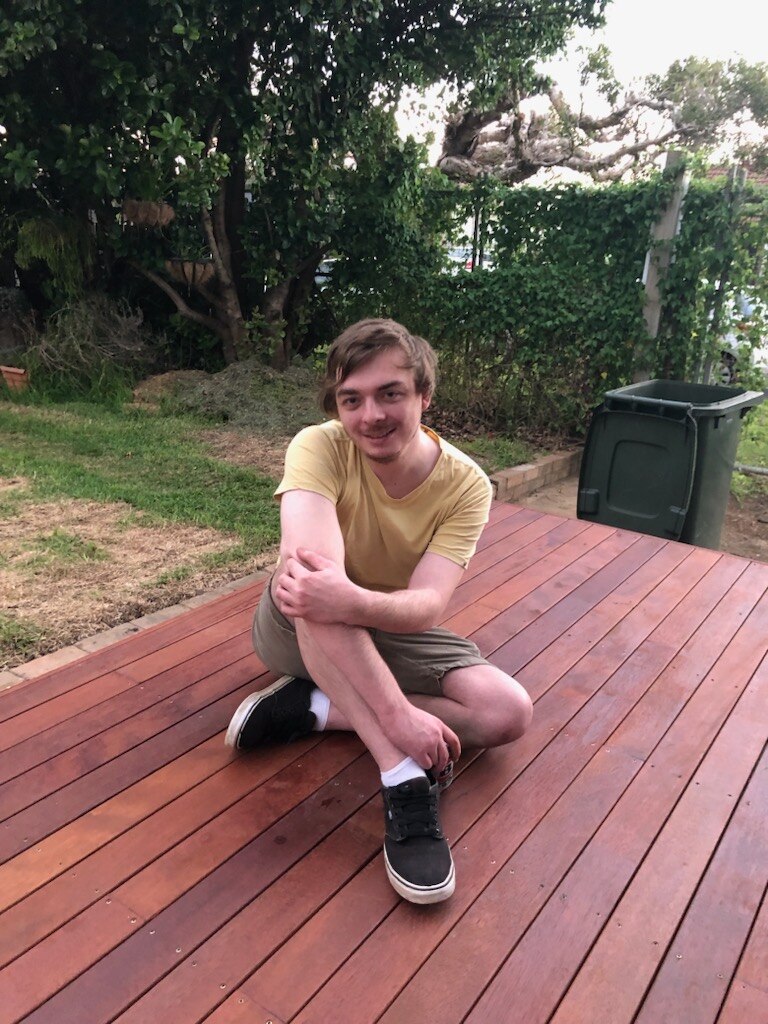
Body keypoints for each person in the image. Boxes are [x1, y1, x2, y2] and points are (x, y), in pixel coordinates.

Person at [225, 318, 533, 904]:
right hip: (295, 626)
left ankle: (315, 707)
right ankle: (402, 777)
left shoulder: (466, 484)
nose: (371, 415)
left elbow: (427, 604)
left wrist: (357, 609)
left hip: (385, 621)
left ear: (424, 396)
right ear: (337, 407)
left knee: (507, 714)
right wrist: (398, 723)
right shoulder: (318, 446)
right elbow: (312, 581)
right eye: (352, 400)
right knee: (311, 585)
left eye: (390, 393)